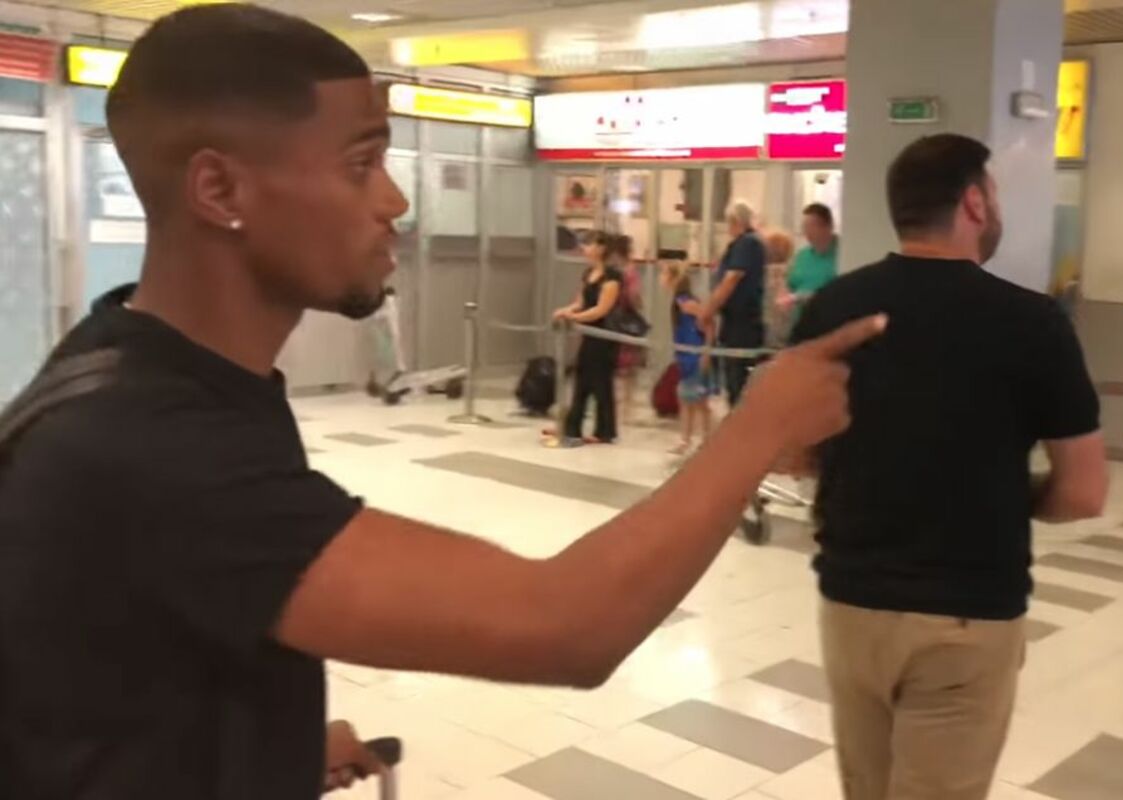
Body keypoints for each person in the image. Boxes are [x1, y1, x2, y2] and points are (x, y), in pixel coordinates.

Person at [0, 6, 886, 798]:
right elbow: (564, 625)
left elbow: (126, 681)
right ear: (220, 190)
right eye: (361, 164)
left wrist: (269, 751)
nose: (394, 201)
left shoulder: (130, 369)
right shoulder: (150, 448)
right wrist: (760, 425)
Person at [789, 134, 1108, 800]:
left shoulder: (834, 307)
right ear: (973, 202)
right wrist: (1000, 493)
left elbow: (790, 451)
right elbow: (1084, 492)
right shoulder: (1033, 323)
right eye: (994, 193)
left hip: (851, 605)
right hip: (967, 615)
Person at [553, 232, 623, 445]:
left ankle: (605, 430)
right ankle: (572, 426)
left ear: (601, 249)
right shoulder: (588, 274)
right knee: (582, 378)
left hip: (604, 336)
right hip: (588, 335)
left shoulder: (612, 278)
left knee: (601, 382)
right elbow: (581, 302)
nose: (585, 249)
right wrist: (565, 311)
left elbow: (601, 309)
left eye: (589, 244)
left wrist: (575, 318)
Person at [700, 200, 767, 407]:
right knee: (732, 381)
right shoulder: (741, 245)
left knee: (739, 382)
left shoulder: (747, 244)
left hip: (743, 323)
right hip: (733, 322)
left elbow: (731, 280)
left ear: (736, 221)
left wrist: (707, 311)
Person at [662, 261, 715, 455]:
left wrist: (706, 352)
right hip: (685, 356)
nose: (661, 278)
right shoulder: (678, 302)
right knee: (685, 399)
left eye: (664, 274)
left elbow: (709, 324)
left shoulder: (687, 303)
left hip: (695, 356)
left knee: (700, 401)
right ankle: (686, 440)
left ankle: (707, 440)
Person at [778, 203, 839, 325]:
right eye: (805, 227)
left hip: (831, 322)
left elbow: (837, 291)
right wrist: (784, 296)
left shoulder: (844, 254)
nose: (807, 232)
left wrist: (799, 297)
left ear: (829, 226)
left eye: (812, 226)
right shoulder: (802, 256)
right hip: (803, 322)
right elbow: (789, 284)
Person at [611, 235, 645, 425]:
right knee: (628, 369)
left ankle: (617, 408)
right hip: (626, 322)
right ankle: (627, 410)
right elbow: (634, 297)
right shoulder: (630, 271)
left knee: (614, 367)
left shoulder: (611, 270)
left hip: (610, 320)